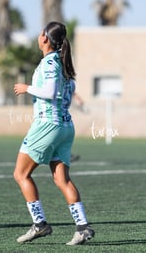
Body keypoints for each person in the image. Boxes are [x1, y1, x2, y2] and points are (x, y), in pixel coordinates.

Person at [13, 21, 95, 245]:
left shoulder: (51, 63)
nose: (38, 36)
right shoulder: (63, 64)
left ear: (45, 39)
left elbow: (50, 92)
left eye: (40, 33)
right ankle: (83, 227)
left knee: (21, 174)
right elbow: (65, 95)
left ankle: (40, 225)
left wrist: (26, 88)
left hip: (47, 125)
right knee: (61, 179)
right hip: (65, 126)